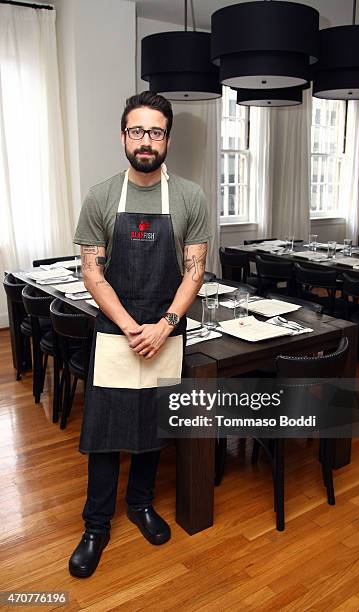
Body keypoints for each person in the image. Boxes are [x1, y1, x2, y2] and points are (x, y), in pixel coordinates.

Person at [69, 91, 211, 578]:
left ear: (167, 138)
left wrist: (166, 324)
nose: (145, 141)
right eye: (137, 131)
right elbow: (93, 274)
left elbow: (194, 270)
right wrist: (133, 327)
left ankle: (141, 504)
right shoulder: (102, 195)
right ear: (123, 136)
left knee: (153, 425)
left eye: (155, 131)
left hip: (167, 330)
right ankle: (95, 526)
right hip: (116, 333)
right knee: (106, 433)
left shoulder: (190, 196)